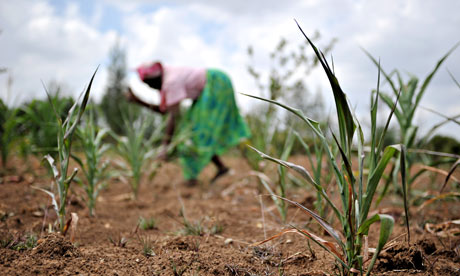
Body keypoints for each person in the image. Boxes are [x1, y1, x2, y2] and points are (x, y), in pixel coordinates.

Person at [126, 62, 251, 186]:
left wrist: (165, 146)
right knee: (192, 132)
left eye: (149, 84)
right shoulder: (167, 77)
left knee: (198, 132)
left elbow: (172, 116)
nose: (150, 87)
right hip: (207, 89)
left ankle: (250, 157)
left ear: (155, 79)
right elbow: (165, 111)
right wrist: (138, 101)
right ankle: (220, 168)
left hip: (216, 84)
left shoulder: (171, 82)